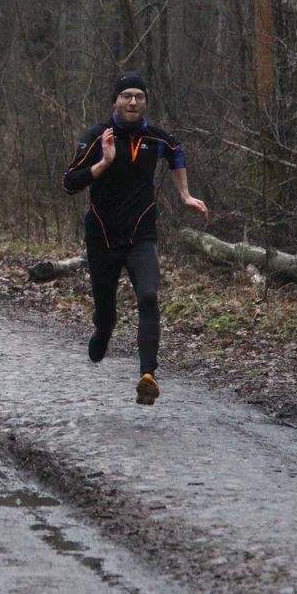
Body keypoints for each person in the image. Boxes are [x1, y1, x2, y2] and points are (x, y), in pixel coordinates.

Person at [62, 71, 208, 405]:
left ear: (145, 102)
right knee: (107, 309)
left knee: (149, 296)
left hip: (141, 233)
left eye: (139, 97)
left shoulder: (157, 138)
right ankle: (103, 327)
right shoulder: (98, 135)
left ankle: (148, 376)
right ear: (115, 100)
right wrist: (103, 164)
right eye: (126, 96)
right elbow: (69, 182)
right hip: (102, 235)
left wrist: (185, 194)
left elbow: (177, 154)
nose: (132, 102)